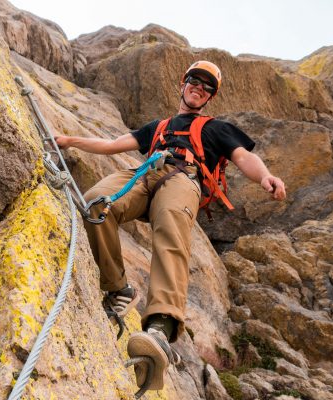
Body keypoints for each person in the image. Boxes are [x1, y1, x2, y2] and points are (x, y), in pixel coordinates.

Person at [55, 60, 286, 390]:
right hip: (145, 174)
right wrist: (68, 140)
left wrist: (265, 177)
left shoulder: (216, 128)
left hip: (183, 179)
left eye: (207, 87)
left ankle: (160, 328)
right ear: (183, 83)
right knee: (96, 203)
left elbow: (243, 157)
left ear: (210, 97)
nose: (199, 88)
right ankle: (119, 288)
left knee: (171, 230)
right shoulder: (157, 127)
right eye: (195, 81)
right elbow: (110, 145)